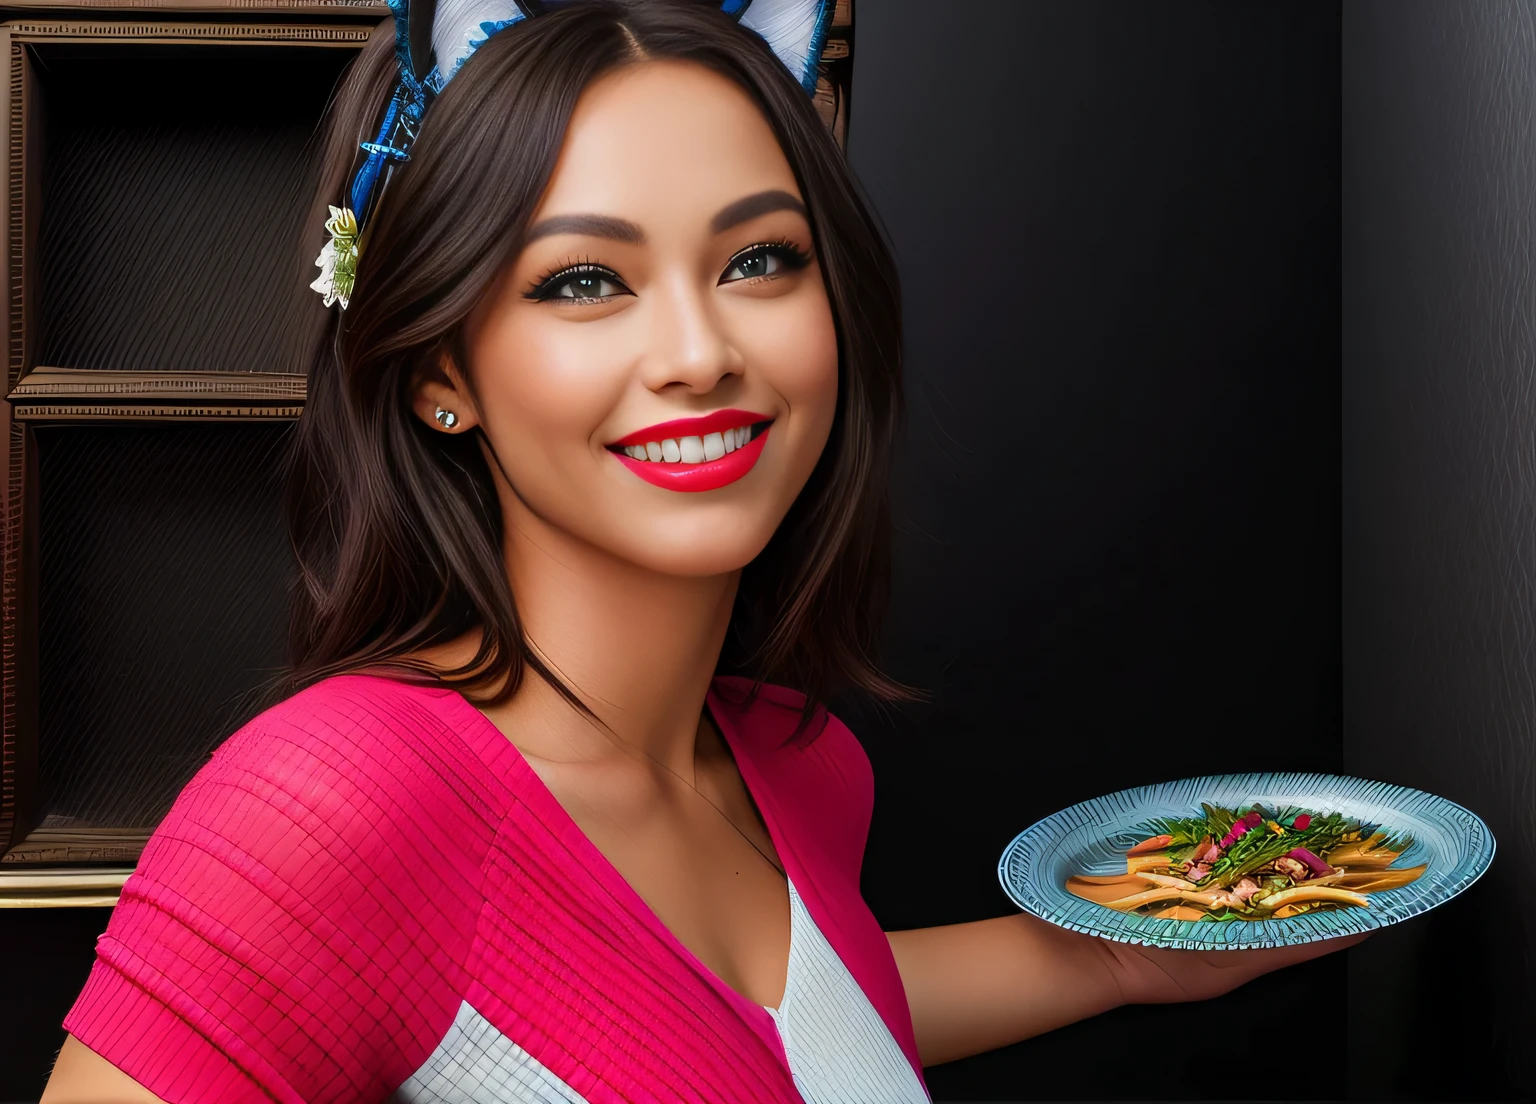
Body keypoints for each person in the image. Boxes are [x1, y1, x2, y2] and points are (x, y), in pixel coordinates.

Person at [40, 2, 1364, 1101]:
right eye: (583, 280)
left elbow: (760, 1038)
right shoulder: (340, 804)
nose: (699, 352)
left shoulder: (796, 762)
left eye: (760, 261)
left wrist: (1111, 959)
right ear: (443, 369)